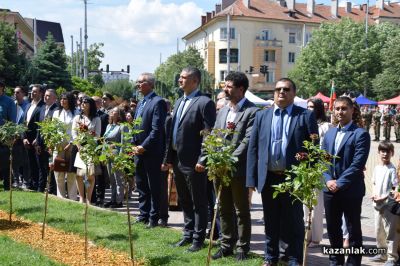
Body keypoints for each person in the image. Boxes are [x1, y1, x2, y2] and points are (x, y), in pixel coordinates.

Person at [246, 78, 318, 266]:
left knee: (294, 221)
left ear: (294, 93)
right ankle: (271, 257)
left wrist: (308, 179)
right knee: (270, 220)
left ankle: (294, 257)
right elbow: (253, 148)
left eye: (286, 89)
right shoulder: (262, 116)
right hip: (269, 177)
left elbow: (313, 150)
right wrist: (251, 179)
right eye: (278, 89)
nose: (281, 92)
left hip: (294, 178)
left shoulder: (305, 116)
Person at [163, 66, 216, 252]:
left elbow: (208, 134)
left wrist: (203, 159)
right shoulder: (178, 102)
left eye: (184, 78)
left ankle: (198, 239)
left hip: (195, 162)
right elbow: (172, 132)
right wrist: (168, 158)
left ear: (195, 81)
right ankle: (187, 234)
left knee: (199, 201)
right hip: (178, 159)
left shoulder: (204, 102)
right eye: (180, 77)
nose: (180, 80)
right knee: (184, 199)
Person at [211, 72, 258, 261]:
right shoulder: (222, 110)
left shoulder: (252, 111)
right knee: (223, 208)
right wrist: (213, 158)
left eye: (229, 86)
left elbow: (247, 141)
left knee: (241, 210)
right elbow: (214, 135)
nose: (225, 89)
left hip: (238, 170)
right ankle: (225, 245)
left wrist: (228, 161)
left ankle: (242, 248)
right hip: (219, 169)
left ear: (241, 89)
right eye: (225, 85)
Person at [322, 96, 371, 266]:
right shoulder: (329, 133)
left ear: (352, 110)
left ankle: (353, 262)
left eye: (344, 108)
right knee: (333, 230)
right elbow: (323, 161)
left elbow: (357, 164)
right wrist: (328, 180)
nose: (340, 112)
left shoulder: (361, 134)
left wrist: (339, 183)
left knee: (353, 230)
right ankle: (335, 261)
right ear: (333, 111)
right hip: (329, 190)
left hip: (350, 190)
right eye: (337, 109)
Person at [133, 73, 167, 227]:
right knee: (141, 184)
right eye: (138, 82)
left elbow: (156, 129)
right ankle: (143, 214)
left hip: (151, 152)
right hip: (138, 151)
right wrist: (134, 144)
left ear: (150, 84)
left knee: (154, 186)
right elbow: (136, 126)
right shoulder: (141, 103)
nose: (138, 85)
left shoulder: (158, 102)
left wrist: (143, 146)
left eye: (141, 82)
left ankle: (154, 217)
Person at [305, 97, 332, 246]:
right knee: (304, 204)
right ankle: (306, 234)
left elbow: (329, 148)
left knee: (316, 204)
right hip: (305, 167)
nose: (309, 110)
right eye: (308, 107)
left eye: (312, 107)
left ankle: (315, 237)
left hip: (320, 168)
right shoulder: (304, 123)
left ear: (319, 109)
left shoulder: (326, 126)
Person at [370, 141, 399, 265]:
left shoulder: (392, 170)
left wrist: (383, 197)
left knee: (390, 232)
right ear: (378, 152)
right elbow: (373, 183)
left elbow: (395, 188)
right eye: (383, 151)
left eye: (388, 152)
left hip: (388, 206)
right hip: (377, 205)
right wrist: (374, 195)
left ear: (392, 153)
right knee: (378, 231)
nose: (385, 154)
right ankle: (382, 254)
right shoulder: (377, 168)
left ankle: (392, 257)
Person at [72, 96, 101, 204]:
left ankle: (88, 198)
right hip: (80, 149)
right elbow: (74, 133)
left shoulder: (96, 119)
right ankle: (81, 197)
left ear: (90, 104)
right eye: (81, 102)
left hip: (91, 149)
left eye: (85, 102)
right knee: (79, 174)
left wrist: (88, 135)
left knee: (90, 175)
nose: (82, 104)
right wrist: (79, 146)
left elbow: (97, 135)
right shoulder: (77, 118)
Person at [52, 92, 79, 200]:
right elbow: (53, 129)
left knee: (71, 171)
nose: (62, 101)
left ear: (70, 100)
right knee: (58, 170)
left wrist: (72, 143)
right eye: (61, 99)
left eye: (65, 99)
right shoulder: (56, 113)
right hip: (58, 145)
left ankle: (72, 197)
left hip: (71, 145)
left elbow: (78, 130)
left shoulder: (76, 113)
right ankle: (61, 196)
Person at [103, 107, 127, 208]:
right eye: (111, 111)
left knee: (118, 179)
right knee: (111, 179)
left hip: (116, 155)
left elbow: (124, 143)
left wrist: (120, 158)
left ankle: (119, 200)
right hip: (108, 155)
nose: (112, 113)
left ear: (119, 115)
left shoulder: (122, 127)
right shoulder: (108, 126)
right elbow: (104, 141)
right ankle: (113, 199)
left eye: (115, 112)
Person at [23, 85, 45, 191]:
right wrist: (24, 138)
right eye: (32, 91)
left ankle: (37, 185)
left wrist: (38, 138)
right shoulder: (28, 105)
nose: (33, 93)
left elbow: (41, 124)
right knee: (30, 162)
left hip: (36, 139)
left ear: (41, 93)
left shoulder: (43, 106)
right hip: (27, 139)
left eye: (35, 92)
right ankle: (31, 182)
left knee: (37, 164)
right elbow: (24, 123)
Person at [12, 86, 30, 188]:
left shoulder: (27, 106)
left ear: (23, 94)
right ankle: (16, 180)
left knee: (25, 160)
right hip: (13, 137)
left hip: (24, 137)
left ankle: (26, 182)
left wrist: (21, 134)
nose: (15, 94)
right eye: (15, 92)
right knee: (14, 160)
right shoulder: (12, 105)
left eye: (18, 92)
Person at [0, 80, 17, 190]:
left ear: (2, 88)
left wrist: (10, 136)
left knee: (5, 161)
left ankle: (7, 185)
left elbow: (12, 120)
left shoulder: (9, 102)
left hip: (4, 137)